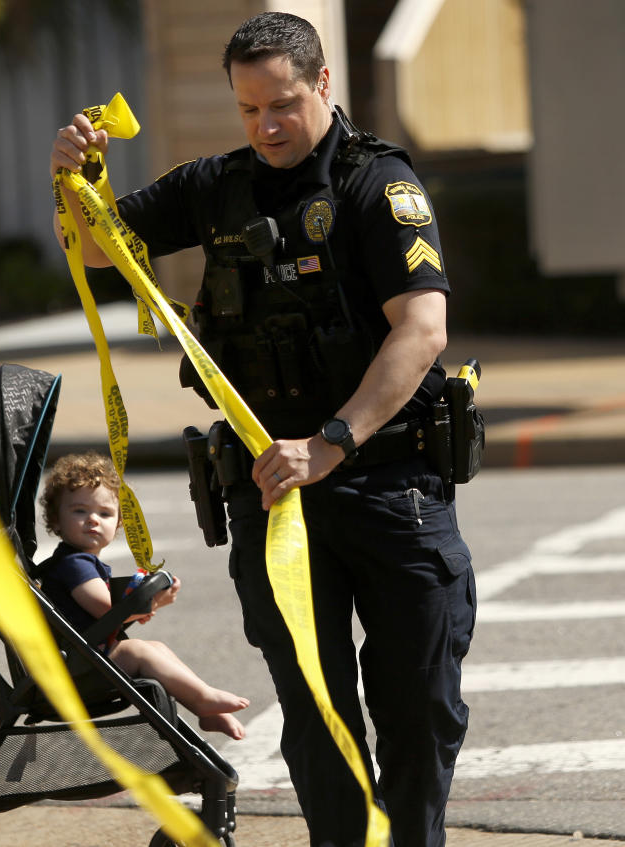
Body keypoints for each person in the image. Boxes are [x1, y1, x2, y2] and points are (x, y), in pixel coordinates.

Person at [49, 12, 476, 847]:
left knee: (419, 705)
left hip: (387, 480)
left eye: (281, 104)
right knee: (317, 715)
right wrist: (75, 175)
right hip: (272, 494)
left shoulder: (375, 185)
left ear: (322, 85)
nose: (266, 126)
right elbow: (101, 250)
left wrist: (330, 443)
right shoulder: (216, 184)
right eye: (248, 109)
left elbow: (421, 329)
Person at [37, 453, 249, 740]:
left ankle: (206, 711)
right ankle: (203, 699)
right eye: (79, 511)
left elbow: (111, 616)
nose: (93, 520)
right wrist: (152, 602)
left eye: (104, 513)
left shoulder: (82, 562)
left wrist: (145, 602)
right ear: (56, 520)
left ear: (119, 523)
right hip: (76, 670)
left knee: (157, 648)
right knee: (138, 651)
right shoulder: (73, 564)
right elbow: (107, 610)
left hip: (85, 660)